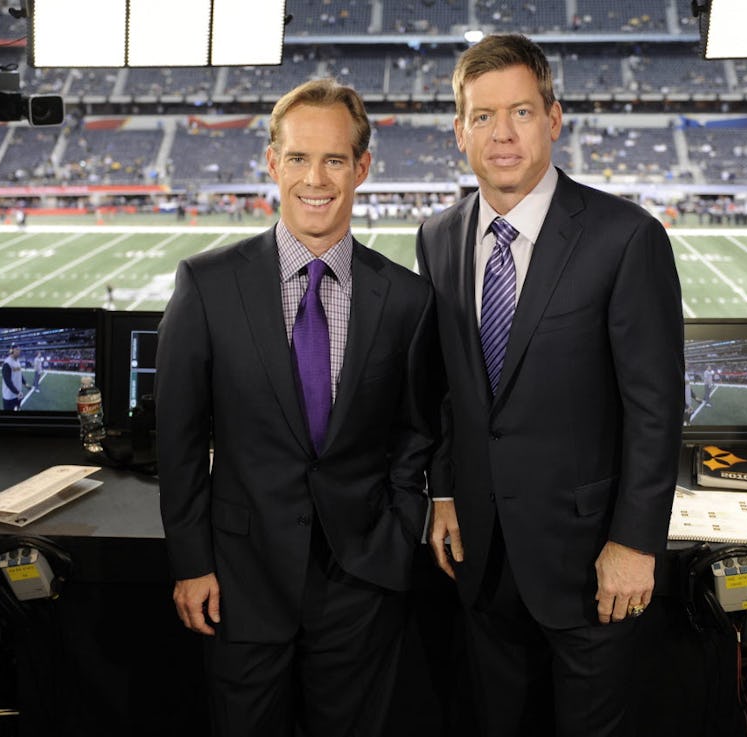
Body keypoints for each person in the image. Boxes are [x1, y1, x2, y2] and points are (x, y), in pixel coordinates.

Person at [416, 34, 683, 737]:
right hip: (481, 551)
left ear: (554, 118)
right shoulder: (438, 236)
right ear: (458, 131)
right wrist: (442, 488)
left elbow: (655, 409)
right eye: (482, 116)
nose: (501, 134)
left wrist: (635, 541)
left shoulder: (625, 237)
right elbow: (445, 383)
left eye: (521, 113)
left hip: (590, 557)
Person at [156, 78, 439, 737]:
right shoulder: (206, 284)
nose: (317, 178)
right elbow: (178, 437)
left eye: (335, 159)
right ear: (271, 162)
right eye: (300, 158)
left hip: (361, 580)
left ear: (362, 167)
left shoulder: (404, 299)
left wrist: (396, 534)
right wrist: (192, 561)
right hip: (239, 576)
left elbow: (415, 431)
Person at [1, 345, 27, 410]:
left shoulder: (17, 361)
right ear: (12, 351)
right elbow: (8, 382)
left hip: (18, 394)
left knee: (18, 408)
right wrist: (17, 392)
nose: (19, 351)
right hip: (9, 396)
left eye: (19, 350)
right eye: (17, 350)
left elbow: (20, 374)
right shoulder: (7, 363)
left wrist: (25, 383)